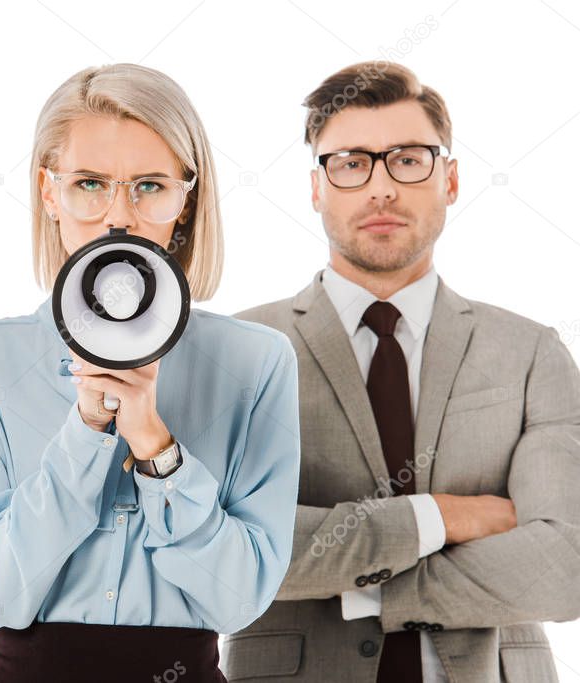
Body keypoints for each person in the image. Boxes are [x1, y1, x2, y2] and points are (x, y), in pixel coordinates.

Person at [0, 63, 300, 682]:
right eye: (90, 183)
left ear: (187, 199)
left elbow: (237, 602)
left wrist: (157, 449)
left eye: (150, 185)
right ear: (49, 193)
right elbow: (0, 595)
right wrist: (85, 428)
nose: (118, 216)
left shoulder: (257, 363)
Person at [225, 62, 580, 682]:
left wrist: (367, 591)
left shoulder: (530, 352)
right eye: (351, 163)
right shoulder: (242, 350)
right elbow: (229, 551)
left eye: (408, 159)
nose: (380, 188)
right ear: (317, 188)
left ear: (451, 178)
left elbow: (565, 565)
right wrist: (447, 517)